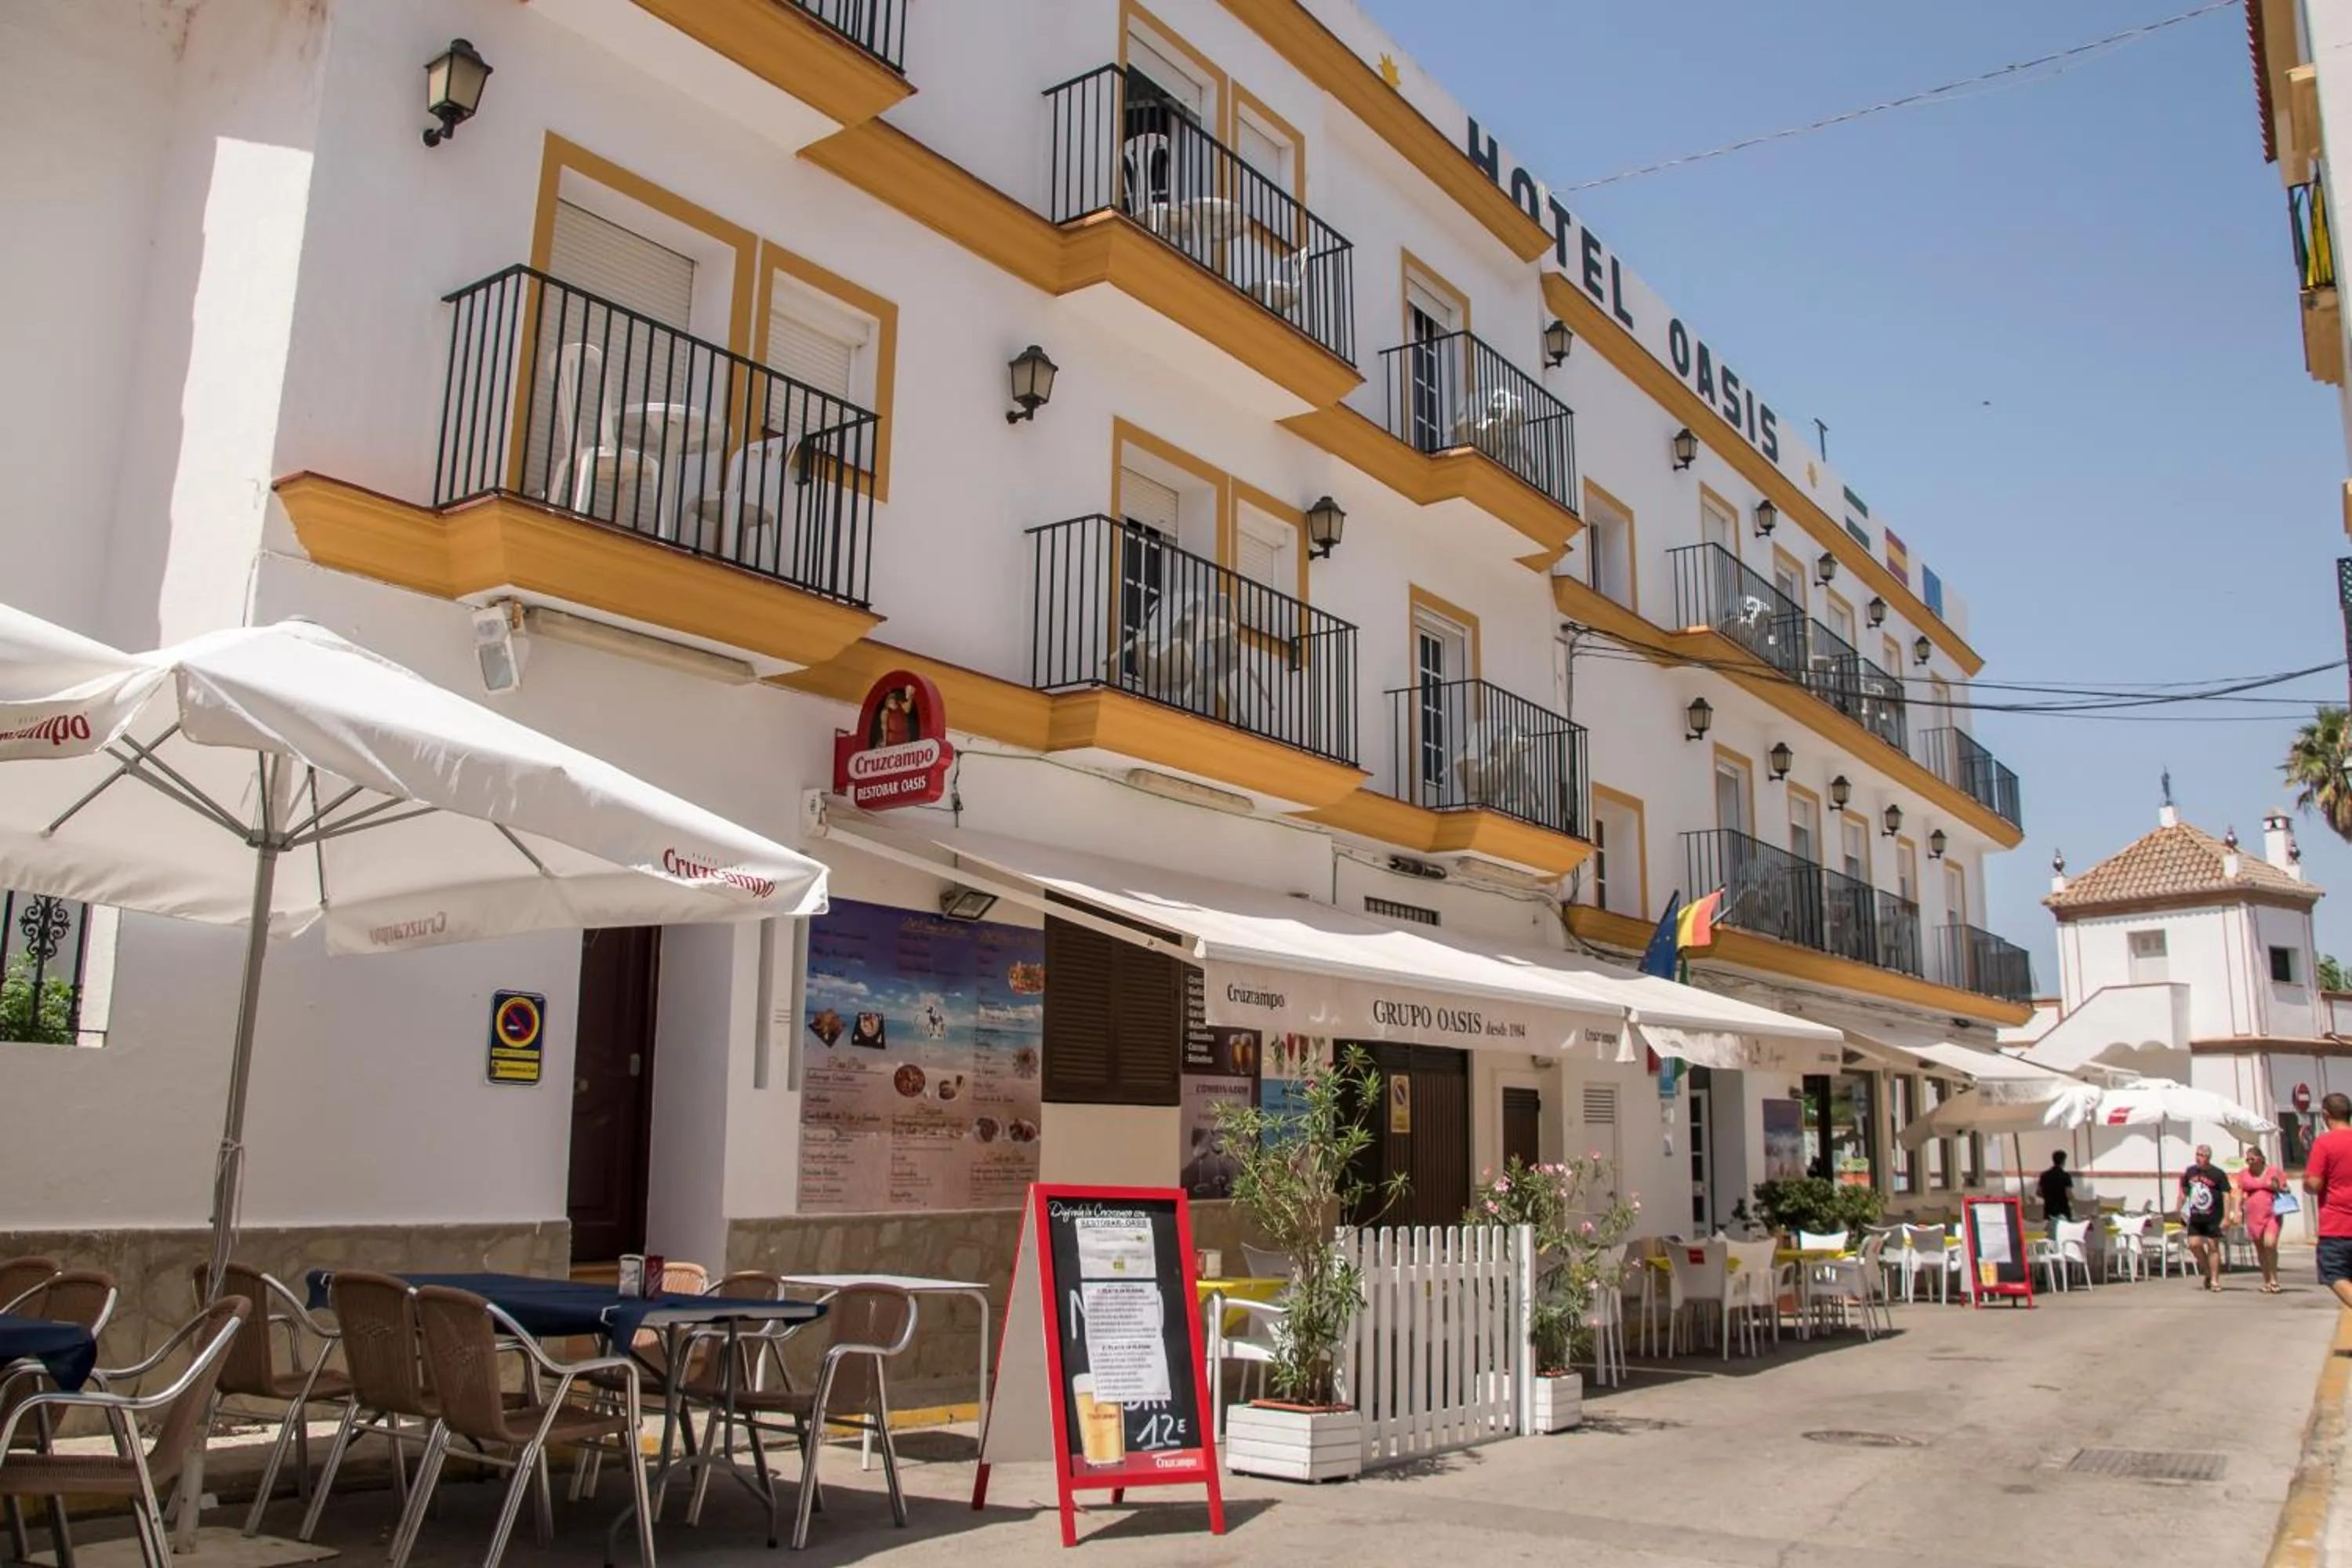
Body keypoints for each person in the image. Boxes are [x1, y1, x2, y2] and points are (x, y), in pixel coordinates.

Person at [2303, 1091, 2352, 1311]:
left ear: (2325, 1115)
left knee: (2335, 1274)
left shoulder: (2324, 1143)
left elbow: (2314, 1184)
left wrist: (2306, 1184)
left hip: (2337, 1225)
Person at [2231, 1146, 2288, 1294]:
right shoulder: (2244, 1174)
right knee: (2260, 1248)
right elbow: (2238, 1193)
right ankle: (2267, 1280)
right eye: (2248, 1160)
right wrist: (2237, 1211)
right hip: (2253, 1215)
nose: (2250, 1162)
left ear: (2261, 1159)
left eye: (2253, 1159)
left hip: (2272, 1213)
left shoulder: (2273, 1172)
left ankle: (2274, 1278)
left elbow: (2285, 1189)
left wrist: (2277, 1187)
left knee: (2270, 1244)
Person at [2178, 1144, 2230, 1291]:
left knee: (2213, 1246)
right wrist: (2180, 1211)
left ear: (2208, 1158)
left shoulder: (2218, 1174)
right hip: (2196, 1216)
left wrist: (2226, 1217)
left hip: (2213, 1216)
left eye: (2201, 1155)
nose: (2198, 1158)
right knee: (2194, 1244)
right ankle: (2207, 1269)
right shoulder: (2190, 1172)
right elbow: (2184, 1192)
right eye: (2197, 1154)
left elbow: (2226, 1194)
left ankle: (2214, 1280)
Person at [2037, 1151, 2075, 1228]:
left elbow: (2038, 1192)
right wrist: (2074, 1202)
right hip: (2063, 1209)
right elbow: (2068, 1194)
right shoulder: (2065, 1176)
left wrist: (2048, 1196)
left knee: (2050, 1229)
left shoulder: (2044, 1175)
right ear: (2064, 1161)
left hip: (2049, 1208)